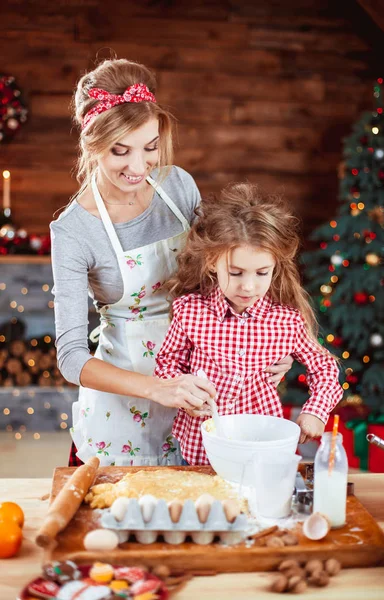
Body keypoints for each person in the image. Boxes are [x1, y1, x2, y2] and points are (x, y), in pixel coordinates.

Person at [50, 58, 293, 467]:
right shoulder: (73, 231)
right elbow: (72, 358)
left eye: (150, 147)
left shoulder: (177, 186)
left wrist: (271, 341)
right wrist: (158, 388)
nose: (139, 167)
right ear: (91, 144)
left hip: (205, 388)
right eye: (120, 151)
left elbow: (224, 275)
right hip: (123, 406)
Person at [155, 183, 343, 465]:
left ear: (275, 267)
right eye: (236, 272)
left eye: (262, 272)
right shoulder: (190, 311)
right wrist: (185, 393)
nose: (249, 286)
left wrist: (316, 410)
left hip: (260, 450)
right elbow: (167, 364)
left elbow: (325, 367)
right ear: (212, 263)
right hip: (198, 449)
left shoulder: (287, 320)